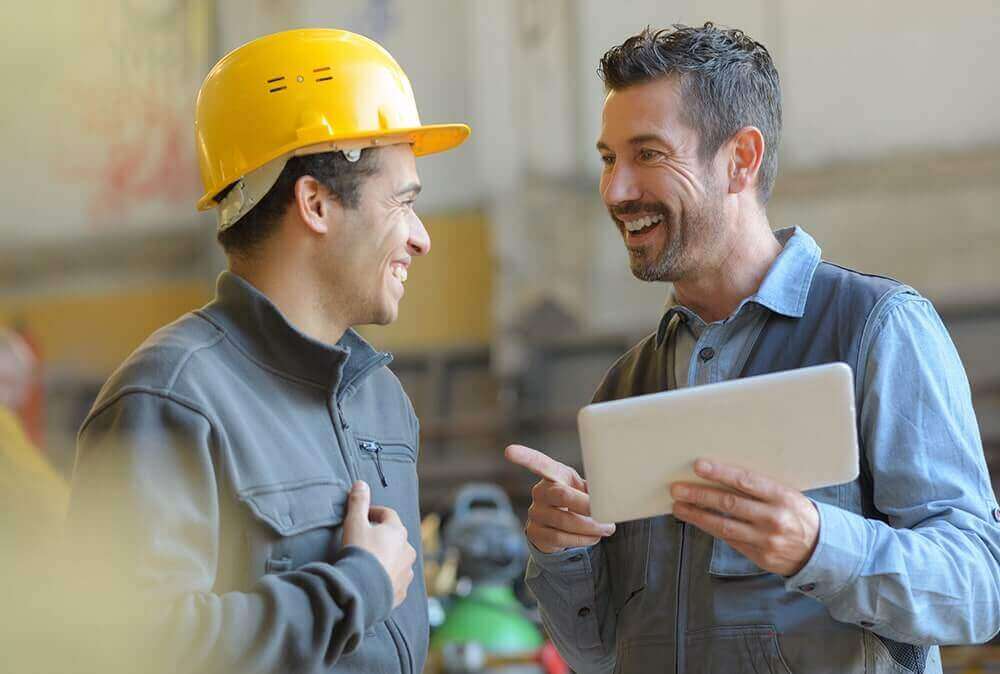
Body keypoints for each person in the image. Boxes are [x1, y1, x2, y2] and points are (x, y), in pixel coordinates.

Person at [506, 23, 1000, 674]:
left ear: (741, 158)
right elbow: (596, 654)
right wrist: (563, 553)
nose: (617, 190)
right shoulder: (626, 386)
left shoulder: (876, 329)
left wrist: (817, 544)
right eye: (607, 159)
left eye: (648, 154)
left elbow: (979, 589)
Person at [65, 28, 469, 674]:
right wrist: (353, 589)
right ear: (315, 203)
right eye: (402, 203)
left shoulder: (380, 400)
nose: (421, 238)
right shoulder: (171, 398)